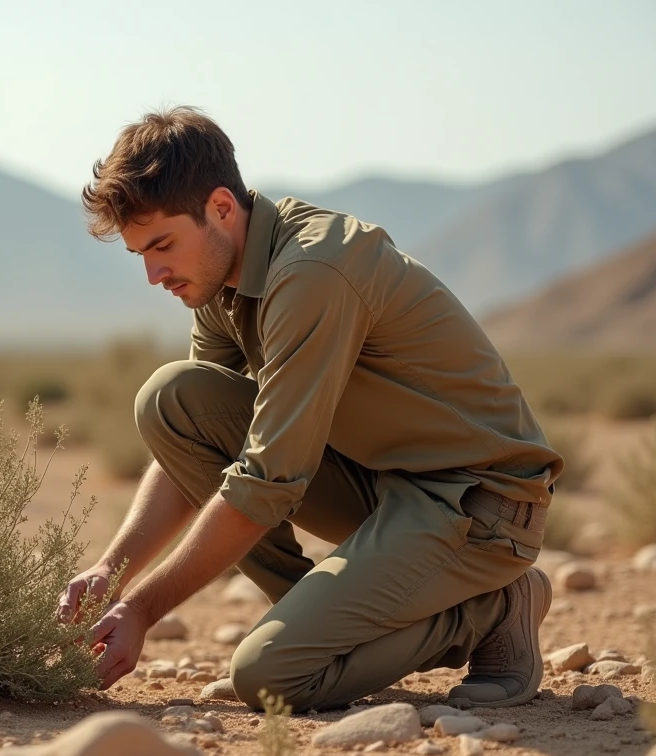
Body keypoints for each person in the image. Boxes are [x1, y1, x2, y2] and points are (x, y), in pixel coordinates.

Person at [55, 105, 564, 713]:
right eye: (140, 253)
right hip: (385, 487)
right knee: (172, 399)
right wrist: (112, 572)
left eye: (162, 244)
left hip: (480, 503)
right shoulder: (218, 276)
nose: (153, 273)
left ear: (221, 207)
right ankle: (324, 626)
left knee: (271, 679)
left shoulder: (312, 272)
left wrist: (140, 609)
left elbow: (263, 484)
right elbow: (194, 441)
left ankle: (492, 610)